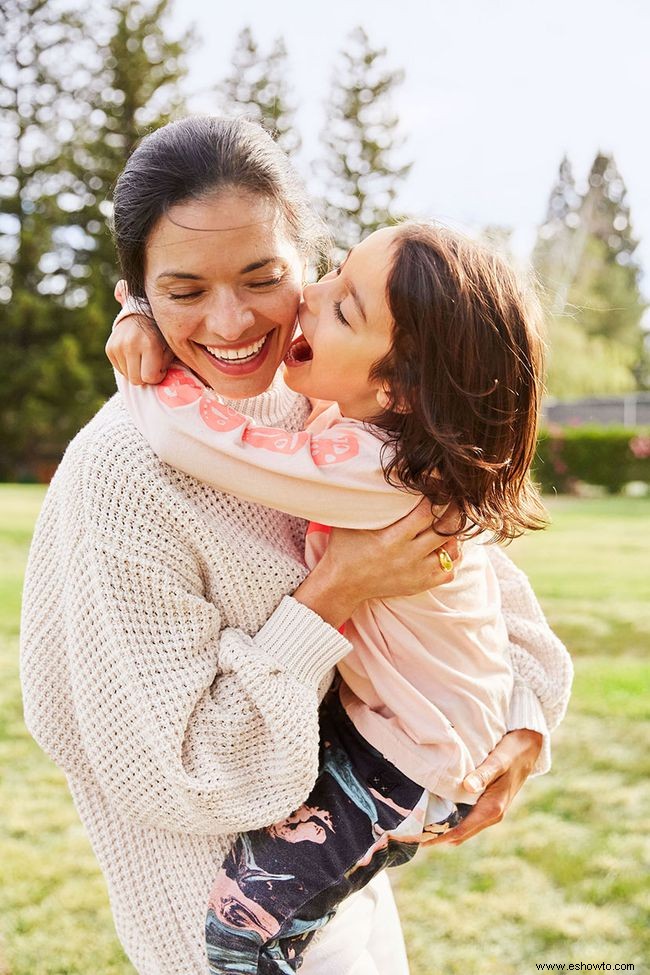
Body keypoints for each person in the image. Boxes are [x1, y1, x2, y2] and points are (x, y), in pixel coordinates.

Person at [20, 116, 572, 975]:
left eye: (261, 276)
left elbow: (473, 567)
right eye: (183, 289)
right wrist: (330, 598)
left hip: (351, 870)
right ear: (138, 291)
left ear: (307, 269)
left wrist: (526, 715)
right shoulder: (121, 474)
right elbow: (187, 774)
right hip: (225, 925)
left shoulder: (327, 391)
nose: (233, 322)